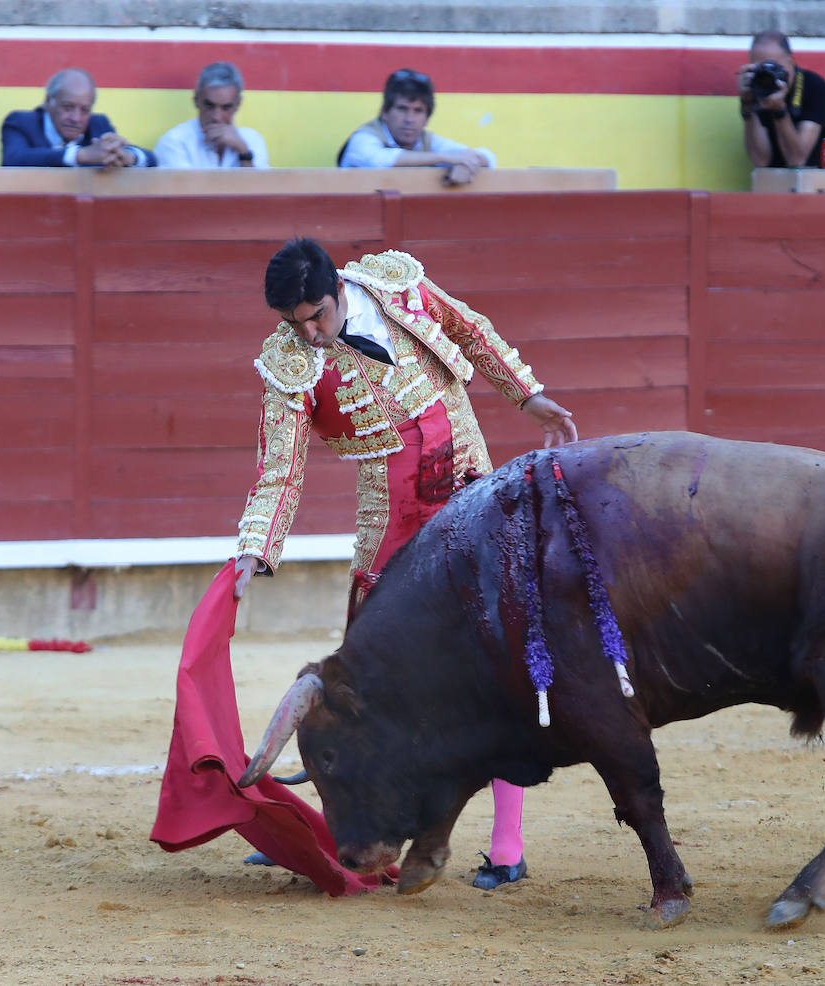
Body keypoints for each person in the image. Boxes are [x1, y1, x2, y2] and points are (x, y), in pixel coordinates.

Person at [233, 238, 577, 889]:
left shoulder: (397, 287)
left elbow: (470, 333)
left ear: (337, 289)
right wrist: (256, 548)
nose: (309, 333)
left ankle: (507, 845)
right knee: (364, 683)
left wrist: (527, 397)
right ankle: (345, 830)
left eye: (317, 316)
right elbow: (280, 469)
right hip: (388, 515)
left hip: (472, 489)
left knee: (496, 662)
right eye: (294, 323)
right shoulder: (288, 364)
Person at [337, 69, 495, 185]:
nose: (409, 119)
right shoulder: (364, 138)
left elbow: (488, 156)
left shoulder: (428, 141)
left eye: (418, 111)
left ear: (427, 119)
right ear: (384, 112)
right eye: (402, 109)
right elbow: (376, 160)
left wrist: (466, 165)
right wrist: (444, 158)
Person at [1, 68, 155, 168]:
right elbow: (14, 160)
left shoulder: (98, 124)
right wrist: (80, 155)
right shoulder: (19, 122)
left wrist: (129, 156)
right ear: (48, 101)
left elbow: (152, 160)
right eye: (68, 107)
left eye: (85, 110)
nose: (76, 118)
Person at [738, 30, 825, 169]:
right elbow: (760, 161)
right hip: (775, 184)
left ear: (791, 62)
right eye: (760, 67)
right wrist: (747, 105)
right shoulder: (757, 87)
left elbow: (796, 161)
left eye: (772, 66)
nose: (766, 74)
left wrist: (779, 111)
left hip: (819, 183)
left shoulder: (813, 85)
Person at [154, 62, 269, 169]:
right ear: (196, 100)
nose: (216, 117)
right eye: (209, 106)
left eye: (226, 108)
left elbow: (262, 189)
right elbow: (184, 189)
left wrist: (244, 153)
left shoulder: (252, 141)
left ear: (238, 104)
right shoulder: (175, 142)